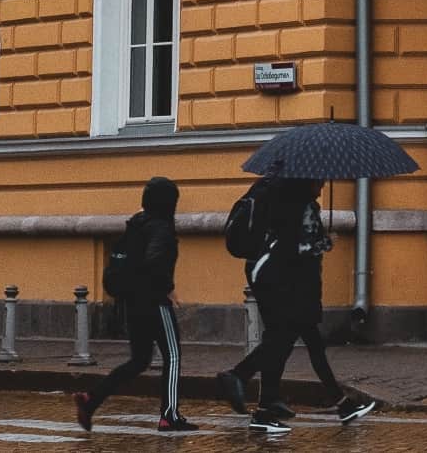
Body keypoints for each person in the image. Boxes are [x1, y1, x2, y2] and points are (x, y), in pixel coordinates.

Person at [216, 177, 374, 433]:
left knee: (289, 341)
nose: (322, 186)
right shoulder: (303, 205)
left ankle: (270, 404)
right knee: (286, 341)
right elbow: (303, 248)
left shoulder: (283, 198)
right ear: (307, 181)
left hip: (274, 278)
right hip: (290, 285)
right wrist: (325, 240)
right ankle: (242, 380)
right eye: (319, 182)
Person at [74, 177, 196, 432]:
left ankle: (92, 400)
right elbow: (155, 262)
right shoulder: (161, 228)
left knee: (139, 361)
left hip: (133, 302)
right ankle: (169, 415)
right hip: (155, 302)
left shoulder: (136, 224)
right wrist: (167, 289)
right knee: (172, 356)